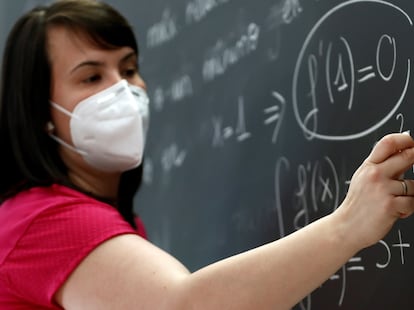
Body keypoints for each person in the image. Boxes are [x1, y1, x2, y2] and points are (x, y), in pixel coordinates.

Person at [0, 0, 414, 309]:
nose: (122, 90)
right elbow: (183, 306)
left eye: (128, 69)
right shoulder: (46, 221)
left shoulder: (87, 216)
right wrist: (348, 225)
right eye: (92, 77)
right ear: (42, 115)